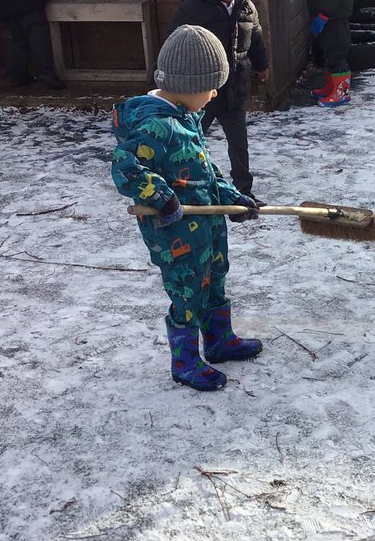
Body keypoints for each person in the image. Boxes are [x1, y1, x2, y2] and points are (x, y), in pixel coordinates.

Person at [111, 25, 262, 392]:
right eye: (211, 87)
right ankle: (185, 361)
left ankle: (218, 341)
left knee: (215, 278)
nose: (214, 94)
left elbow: (205, 172)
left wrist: (231, 197)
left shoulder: (184, 117)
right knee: (186, 291)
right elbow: (125, 168)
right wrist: (162, 198)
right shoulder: (155, 125)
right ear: (187, 84)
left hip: (207, 223)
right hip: (175, 231)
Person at [168, 0, 269, 205]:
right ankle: (185, 186)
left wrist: (261, 64)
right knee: (191, 141)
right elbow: (173, 45)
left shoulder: (246, 5)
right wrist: (167, 82)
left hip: (235, 89)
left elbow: (255, 36)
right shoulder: (192, 10)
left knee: (239, 143)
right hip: (202, 94)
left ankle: (243, 193)